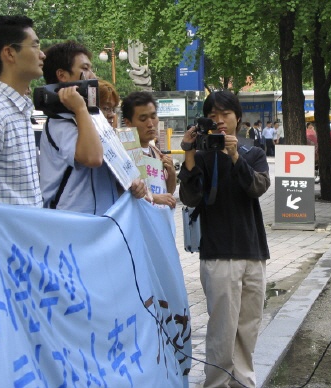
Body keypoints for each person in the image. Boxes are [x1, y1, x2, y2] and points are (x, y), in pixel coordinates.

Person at [178, 91, 270, 388]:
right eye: (213, 115)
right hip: (218, 253)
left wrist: (233, 155)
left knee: (247, 328)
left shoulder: (253, 153)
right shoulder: (202, 156)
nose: (219, 120)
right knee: (222, 329)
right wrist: (189, 154)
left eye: (225, 114)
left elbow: (257, 188)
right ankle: (217, 383)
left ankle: (244, 383)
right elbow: (189, 198)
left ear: (237, 118)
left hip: (253, 250)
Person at [39, 41, 146, 215]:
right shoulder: (59, 123)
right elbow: (93, 158)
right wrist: (80, 108)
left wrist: (132, 182)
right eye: (85, 68)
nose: (93, 76)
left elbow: (112, 167)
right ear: (62, 75)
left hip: (103, 223)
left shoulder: (91, 119)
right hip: (73, 225)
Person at [0, 15, 45, 206]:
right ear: (10, 53)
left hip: (26, 231)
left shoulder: (19, 109)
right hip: (4, 234)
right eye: (35, 46)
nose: (42, 55)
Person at [121, 91, 177, 208]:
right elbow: (123, 194)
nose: (150, 124)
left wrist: (171, 173)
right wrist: (155, 198)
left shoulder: (156, 152)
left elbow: (168, 194)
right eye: (143, 119)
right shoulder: (123, 155)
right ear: (128, 122)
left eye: (153, 116)